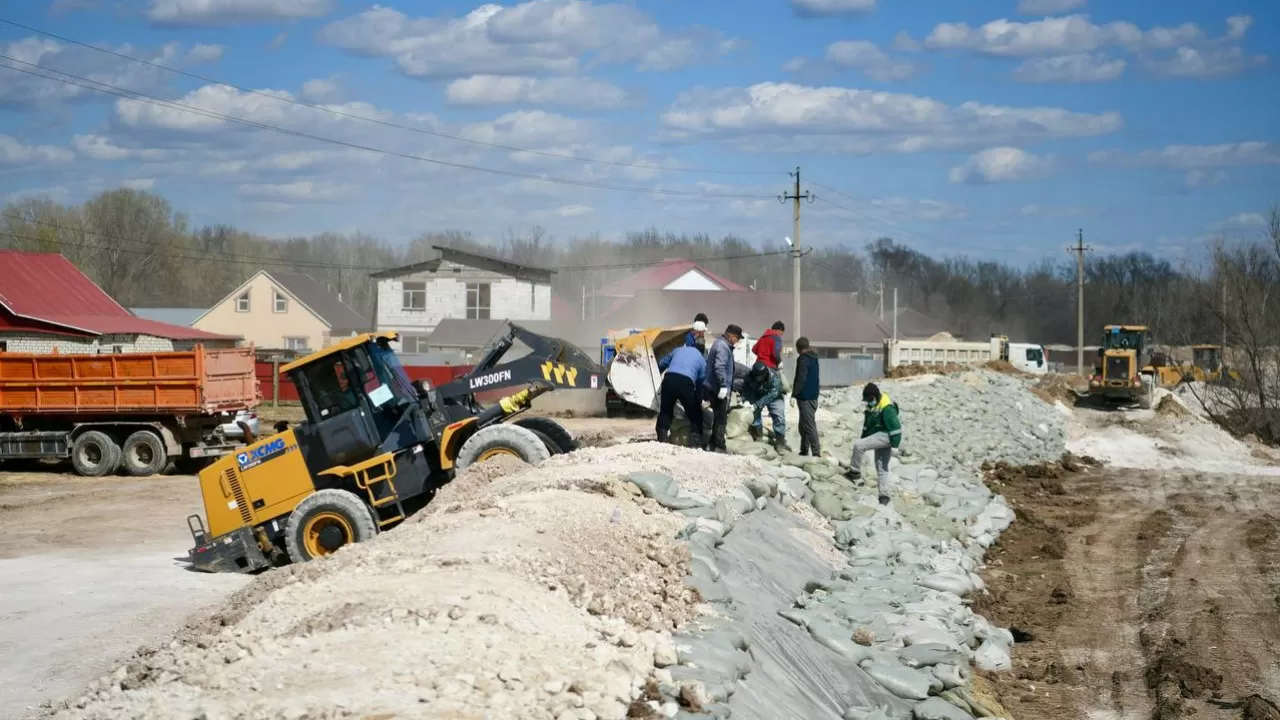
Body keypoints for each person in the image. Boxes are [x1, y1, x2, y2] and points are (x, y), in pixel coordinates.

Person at [846, 383, 902, 506]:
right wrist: (864, 438)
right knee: (881, 467)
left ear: (875, 397)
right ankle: (884, 496)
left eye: (869, 400)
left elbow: (896, 428)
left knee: (858, 446)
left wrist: (895, 446)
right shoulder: (872, 406)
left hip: (886, 435)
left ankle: (854, 473)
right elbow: (867, 426)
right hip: (879, 435)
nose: (868, 402)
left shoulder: (887, 407)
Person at [655, 343, 707, 447]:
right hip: (686, 382)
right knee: (695, 412)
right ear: (702, 351)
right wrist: (699, 399)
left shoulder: (678, 350)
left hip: (669, 379)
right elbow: (701, 382)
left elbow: (662, 363)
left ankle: (662, 438)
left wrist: (655, 373)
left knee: (666, 410)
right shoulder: (702, 359)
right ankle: (695, 442)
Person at [703, 324, 741, 452]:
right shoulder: (723, 347)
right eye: (737, 338)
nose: (737, 341)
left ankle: (712, 444)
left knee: (718, 417)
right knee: (721, 418)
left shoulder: (720, 344)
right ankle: (718, 445)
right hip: (717, 389)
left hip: (714, 386)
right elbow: (719, 367)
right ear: (731, 336)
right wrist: (723, 386)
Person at [741, 360, 790, 453]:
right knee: (754, 417)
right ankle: (758, 438)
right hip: (757, 394)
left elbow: (773, 393)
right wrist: (746, 400)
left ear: (765, 374)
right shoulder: (749, 375)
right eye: (757, 377)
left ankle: (780, 443)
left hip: (774, 396)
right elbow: (745, 388)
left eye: (760, 377)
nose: (758, 379)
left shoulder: (773, 376)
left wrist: (757, 404)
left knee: (779, 417)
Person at [792, 337, 821, 456]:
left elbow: (801, 378)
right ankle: (804, 450)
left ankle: (816, 453)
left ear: (798, 348)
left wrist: (794, 394)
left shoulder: (803, 359)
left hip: (805, 397)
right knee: (803, 425)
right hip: (813, 396)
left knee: (808, 426)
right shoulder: (814, 358)